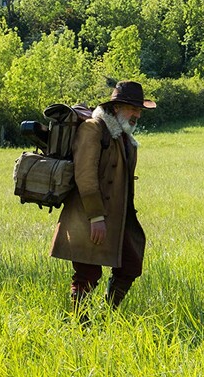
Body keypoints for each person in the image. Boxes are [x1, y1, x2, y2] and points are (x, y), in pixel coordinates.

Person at [50, 81, 156, 320]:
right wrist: (96, 216)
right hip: (90, 215)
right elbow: (85, 175)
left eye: (139, 110)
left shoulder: (122, 135)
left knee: (130, 265)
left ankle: (106, 316)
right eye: (133, 108)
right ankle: (80, 323)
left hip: (119, 217)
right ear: (117, 107)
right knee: (87, 273)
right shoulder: (93, 129)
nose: (137, 114)